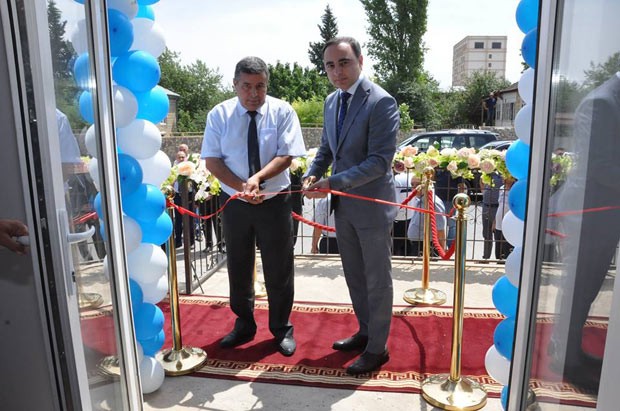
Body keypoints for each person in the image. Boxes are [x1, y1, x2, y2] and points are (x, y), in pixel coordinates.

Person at [303, 37, 400, 375]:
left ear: (360, 60)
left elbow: (379, 162)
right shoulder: (332, 101)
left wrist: (332, 183)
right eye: (330, 65)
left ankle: (378, 348)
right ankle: (365, 331)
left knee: (377, 280)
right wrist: (313, 173)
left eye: (343, 62)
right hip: (343, 207)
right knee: (355, 276)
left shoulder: (381, 101)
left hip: (371, 207)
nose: (337, 71)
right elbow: (327, 149)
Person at [201, 56, 306, 357]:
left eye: (260, 86)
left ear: (267, 85)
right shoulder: (219, 115)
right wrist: (242, 187)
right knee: (238, 264)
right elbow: (212, 161)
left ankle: (281, 328)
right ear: (235, 84)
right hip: (235, 202)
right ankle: (244, 325)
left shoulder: (282, 111)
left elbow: (287, 155)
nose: (253, 93)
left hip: (275, 200)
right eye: (246, 86)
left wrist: (257, 180)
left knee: (279, 267)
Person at [548, 72, 620, 391]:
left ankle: (569, 349)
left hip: (603, 212)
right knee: (578, 288)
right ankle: (564, 359)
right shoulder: (602, 102)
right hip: (589, 212)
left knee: (586, 288)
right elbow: (599, 166)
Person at [406, 176, 447, 256]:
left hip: (428, 245)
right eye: (412, 184)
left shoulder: (433, 203)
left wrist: (442, 251)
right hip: (417, 243)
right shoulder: (419, 199)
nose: (414, 188)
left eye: (418, 184)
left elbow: (440, 229)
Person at [480, 172, 503, 259]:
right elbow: (481, 180)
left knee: (498, 234)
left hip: (497, 207)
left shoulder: (501, 174)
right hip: (486, 206)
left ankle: (499, 257)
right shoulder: (487, 172)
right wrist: (483, 191)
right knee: (486, 234)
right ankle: (486, 257)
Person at [392, 171, 415, 256]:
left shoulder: (396, 179)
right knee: (408, 246)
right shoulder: (413, 175)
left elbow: (395, 201)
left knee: (395, 246)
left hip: (397, 217)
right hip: (412, 214)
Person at [494, 177, 514, 260]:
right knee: (498, 250)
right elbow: (499, 205)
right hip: (498, 224)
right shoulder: (501, 188)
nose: (503, 178)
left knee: (507, 249)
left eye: (506, 176)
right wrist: (494, 222)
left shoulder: (514, 189)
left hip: (509, 225)